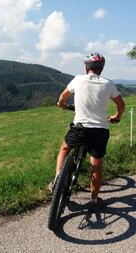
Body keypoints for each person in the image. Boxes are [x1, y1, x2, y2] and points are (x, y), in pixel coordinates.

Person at [49, 52, 125, 209]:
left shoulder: (78, 79)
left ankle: (57, 180)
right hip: (99, 131)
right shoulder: (108, 84)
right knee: (96, 165)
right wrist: (117, 116)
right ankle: (94, 200)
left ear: (86, 67)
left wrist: (61, 104)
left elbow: (63, 96)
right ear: (101, 69)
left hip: (80, 129)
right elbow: (121, 105)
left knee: (64, 149)